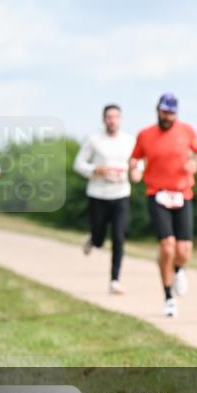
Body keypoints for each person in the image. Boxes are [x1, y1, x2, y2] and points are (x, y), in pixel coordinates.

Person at [130, 93, 197, 317]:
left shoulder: (187, 131)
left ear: (176, 113)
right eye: (164, 112)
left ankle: (179, 269)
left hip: (183, 194)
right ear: (158, 110)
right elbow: (135, 159)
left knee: (183, 251)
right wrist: (134, 170)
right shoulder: (145, 135)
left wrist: (195, 161)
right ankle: (168, 297)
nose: (167, 116)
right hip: (157, 194)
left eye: (171, 113)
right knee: (167, 246)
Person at [74, 104, 136, 294]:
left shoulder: (129, 141)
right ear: (103, 119)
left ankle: (115, 280)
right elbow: (78, 164)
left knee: (119, 237)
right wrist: (94, 170)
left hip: (121, 194)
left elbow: (137, 163)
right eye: (109, 117)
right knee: (100, 238)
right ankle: (93, 239)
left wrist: (137, 171)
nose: (112, 120)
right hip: (98, 194)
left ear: (120, 119)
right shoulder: (94, 140)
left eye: (115, 117)